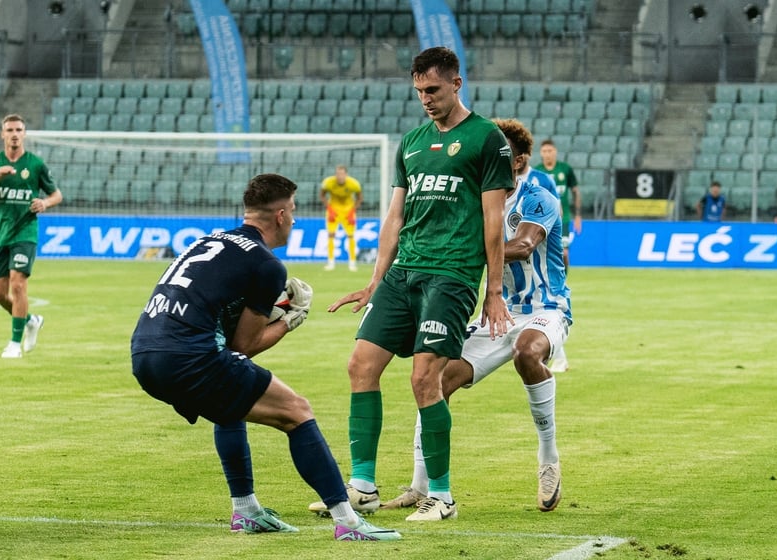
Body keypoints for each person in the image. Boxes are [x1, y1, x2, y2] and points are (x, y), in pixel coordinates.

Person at [130, 173, 400, 542]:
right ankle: (348, 522)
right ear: (281, 215)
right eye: (294, 212)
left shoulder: (206, 241)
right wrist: (290, 319)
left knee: (228, 406)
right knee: (297, 411)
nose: (295, 220)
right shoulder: (266, 264)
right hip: (188, 355)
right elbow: (244, 345)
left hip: (144, 353)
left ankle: (247, 511)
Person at [310, 46, 514, 522]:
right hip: (404, 272)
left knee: (425, 379)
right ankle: (362, 487)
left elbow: (493, 220)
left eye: (434, 89)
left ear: (457, 84)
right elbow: (395, 216)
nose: (426, 98)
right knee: (360, 365)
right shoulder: (412, 142)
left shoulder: (487, 139)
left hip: (452, 274)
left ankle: (441, 496)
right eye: (419, 90)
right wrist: (374, 281)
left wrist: (493, 290)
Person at [381, 118, 571, 514]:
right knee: (434, 379)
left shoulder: (539, 197)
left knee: (527, 352)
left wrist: (460, 248)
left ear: (518, 161)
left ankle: (548, 459)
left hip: (544, 309)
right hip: (496, 312)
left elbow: (524, 244)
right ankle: (420, 486)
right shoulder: (476, 197)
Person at [0, 114, 63, 359]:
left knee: (18, 284)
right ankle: (31, 320)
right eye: (10, 130)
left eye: (18, 130)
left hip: (25, 232)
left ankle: (14, 344)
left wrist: (45, 203)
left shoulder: (35, 164)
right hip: (0, 234)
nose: (14, 134)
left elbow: (57, 195)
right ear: (2, 134)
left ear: (24, 134)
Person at [533, 139, 577, 374]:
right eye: (544, 151)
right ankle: (554, 357)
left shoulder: (562, 171)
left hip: (561, 221)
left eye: (550, 150)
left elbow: (573, 193)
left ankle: (559, 281)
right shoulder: (537, 174)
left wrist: (576, 215)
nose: (547, 153)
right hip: (541, 224)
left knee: (563, 254)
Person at [320, 164, 363, 271]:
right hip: (333, 211)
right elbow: (322, 195)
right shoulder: (328, 182)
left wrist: (352, 211)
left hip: (348, 211)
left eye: (342, 174)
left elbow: (359, 198)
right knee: (331, 235)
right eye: (338, 174)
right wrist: (329, 209)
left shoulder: (354, 184)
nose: (340, 176)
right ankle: (331, 262)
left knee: (351, 236)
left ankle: (352, 263)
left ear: (346, 174)